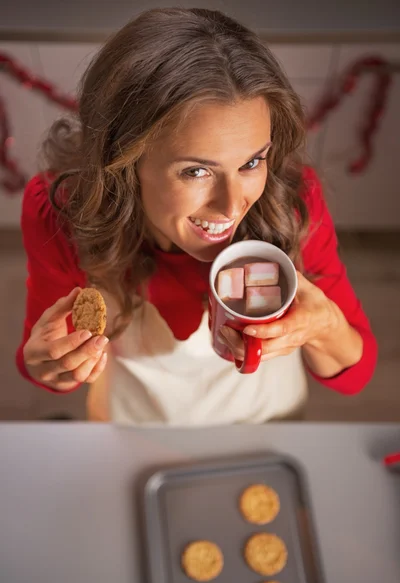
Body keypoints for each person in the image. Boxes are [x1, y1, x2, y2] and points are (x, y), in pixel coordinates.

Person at [16, 7, 377, 424]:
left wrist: (324, 326)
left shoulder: (293, 201)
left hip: (267, 420)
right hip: (133, 422)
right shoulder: (62, 211)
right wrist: (52, 364)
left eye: (251, 162)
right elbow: (45, 369)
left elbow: (356, 377)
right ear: (123, 160)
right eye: (196, 171)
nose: (231, 206)